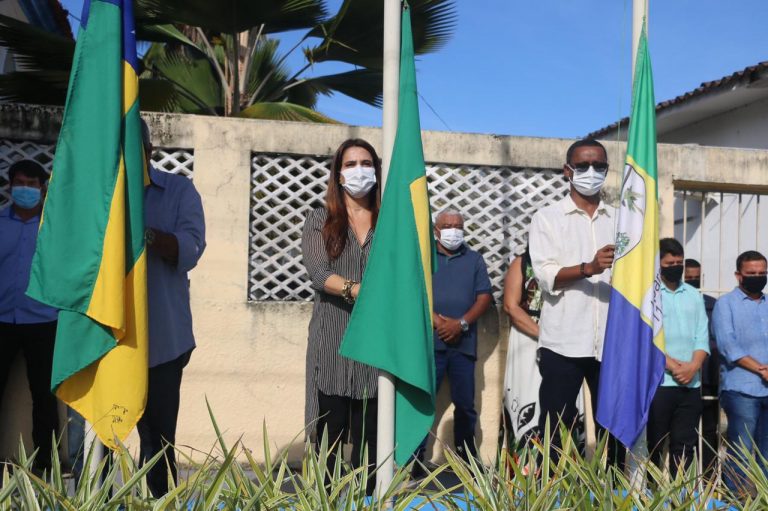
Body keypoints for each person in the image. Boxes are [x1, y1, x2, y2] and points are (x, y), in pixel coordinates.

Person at [528, 138, 624, 468]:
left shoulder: (621, 220)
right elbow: (545, 275)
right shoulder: (547, 218)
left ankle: (614, 489)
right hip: (563, 342)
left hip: (611, 342)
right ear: (567, 171)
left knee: (614, 429)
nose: (591, 171)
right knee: (555, 427)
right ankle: (552, 489)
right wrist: (589, 268)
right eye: (583, 165)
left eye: (599, 165)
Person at [301, 138, 382, 495]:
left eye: (366, 163)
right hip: (332, 345)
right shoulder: (320, 220)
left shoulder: (389, 223)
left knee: (372, 448)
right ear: (338, 174)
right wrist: (360, 290)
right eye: (350, 164)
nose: (359, 170)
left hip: (376, 352)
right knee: (328, 446)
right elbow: (319, 273)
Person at [138, 119, 206, 496]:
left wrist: (143, 233)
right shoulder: (98, 193)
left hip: (163, 339)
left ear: (149, 150)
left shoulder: (179, 190)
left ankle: (160, 501)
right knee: (101, 439)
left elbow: (192, 247)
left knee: (159, 440)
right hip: (108, 337)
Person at [414, 208, 492, 470]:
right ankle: (415, 460)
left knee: (465, 405)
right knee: (423, 403)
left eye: (458, 226)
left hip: (463, 345)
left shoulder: (474, 259)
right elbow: (416, 292)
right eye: (447, 226)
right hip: (429, 345)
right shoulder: (426, 258)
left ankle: (466, 460)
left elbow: (484, 297)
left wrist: (460, 324)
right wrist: (438, 322)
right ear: (436, 230)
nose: (453, 231)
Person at [0, 159, 59, 472]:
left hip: (44, 321)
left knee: (45, 398)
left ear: (42, 188)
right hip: (2, 320)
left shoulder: (54, 227)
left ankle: (45, 467)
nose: (26, 189)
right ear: (10, 186)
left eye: (32, 184)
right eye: (20, 183)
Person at [646, 239, 709, 479]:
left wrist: (693, 366)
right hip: (660, 383)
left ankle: (681, 495)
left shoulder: (693, 295)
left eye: (679, 263)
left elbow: (702, 335)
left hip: (691, 384)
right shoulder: (649, 295)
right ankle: (649, 492)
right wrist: (673, 366)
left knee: (684, 446)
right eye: (669, 263)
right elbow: (647, 339)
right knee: (653, 444)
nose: (675, 267)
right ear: (658, 264)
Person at [713, 250, 768, 494]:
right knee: (741, 451)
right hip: (741, 390)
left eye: (762, 273)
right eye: (751, 273)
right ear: (738, 275)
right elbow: (728, 345)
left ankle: (763, 500)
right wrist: (761, 369)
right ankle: (736, 501)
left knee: (766, 454)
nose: (758, 277)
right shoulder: (725, 304)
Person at [502, 246, 543, 444]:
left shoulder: (572, 263)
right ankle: (524, 459)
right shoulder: (522, 263)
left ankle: (563, 458)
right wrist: (543, 335)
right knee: (527, 397)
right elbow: (510, 306)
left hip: (564, 340)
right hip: (527, 338)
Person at [684, 258, 719, 476]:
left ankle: (709, 479)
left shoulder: (712, 305)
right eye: (688, 278)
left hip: (707, 379)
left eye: (696, 278)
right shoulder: (667, 301)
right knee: (682, 435)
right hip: (679, 376)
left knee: (708, 432)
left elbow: (715, 341)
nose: (693, 282)